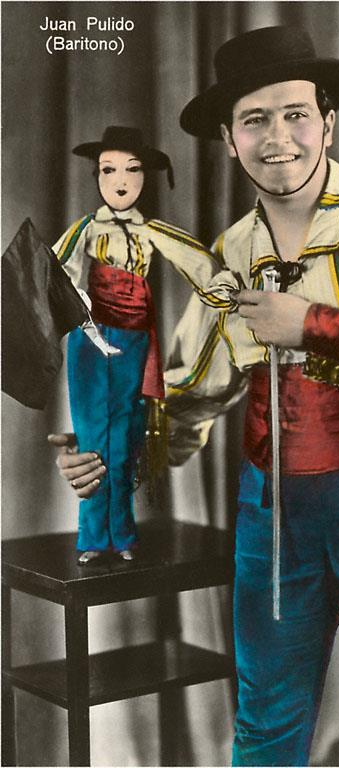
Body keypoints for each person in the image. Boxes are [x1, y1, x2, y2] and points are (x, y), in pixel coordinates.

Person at [50, 27, 339, 767]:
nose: (278, 138)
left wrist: (316, 324)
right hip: (274, 515)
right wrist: (108, 449)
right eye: (254, 120)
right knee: (265, 726)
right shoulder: (230, 253)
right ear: (228, 139)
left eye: (295, 115)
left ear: (328, 123)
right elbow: (192, 390)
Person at [48, 126, 218, 565]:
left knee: (125, 437)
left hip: (135, 338)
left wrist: (225, 290)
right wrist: (77, 302)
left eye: (132, 169)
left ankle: (122, 535)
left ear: (145, 177)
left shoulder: (152, 231)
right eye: (109, 170)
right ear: (97, 177)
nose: (120, 180)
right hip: (90, 338)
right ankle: (92, 537)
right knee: (92, 437)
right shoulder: (86, 229)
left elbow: (200, 265)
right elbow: (53, 270)